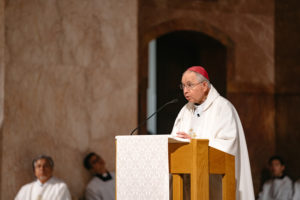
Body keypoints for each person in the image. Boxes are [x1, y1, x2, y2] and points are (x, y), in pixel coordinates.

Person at [171, 66, 255, 200]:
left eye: (190, 85)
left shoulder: (223, 108)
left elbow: (228, 144)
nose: (185, 90)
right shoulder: (185, 111)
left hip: (215, 184)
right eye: (183, 86)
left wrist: (195, 143)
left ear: (204, 85)